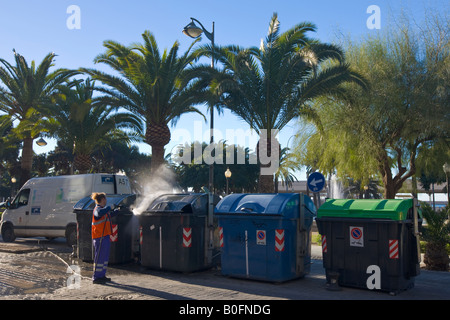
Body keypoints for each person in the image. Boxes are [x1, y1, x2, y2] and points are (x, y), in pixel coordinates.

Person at [91, 192, 119, 284]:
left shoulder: (103, 210)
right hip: (100, 237)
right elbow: (99, 214)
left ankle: (101, 275)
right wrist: (109, 208)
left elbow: (107, 216)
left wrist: (116, 212)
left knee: (104, 258)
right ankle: (96, 277)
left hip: (104, 237)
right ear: (102, 200)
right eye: (105, 199)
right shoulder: (97, 209)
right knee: (99, 258)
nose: (106, 201)